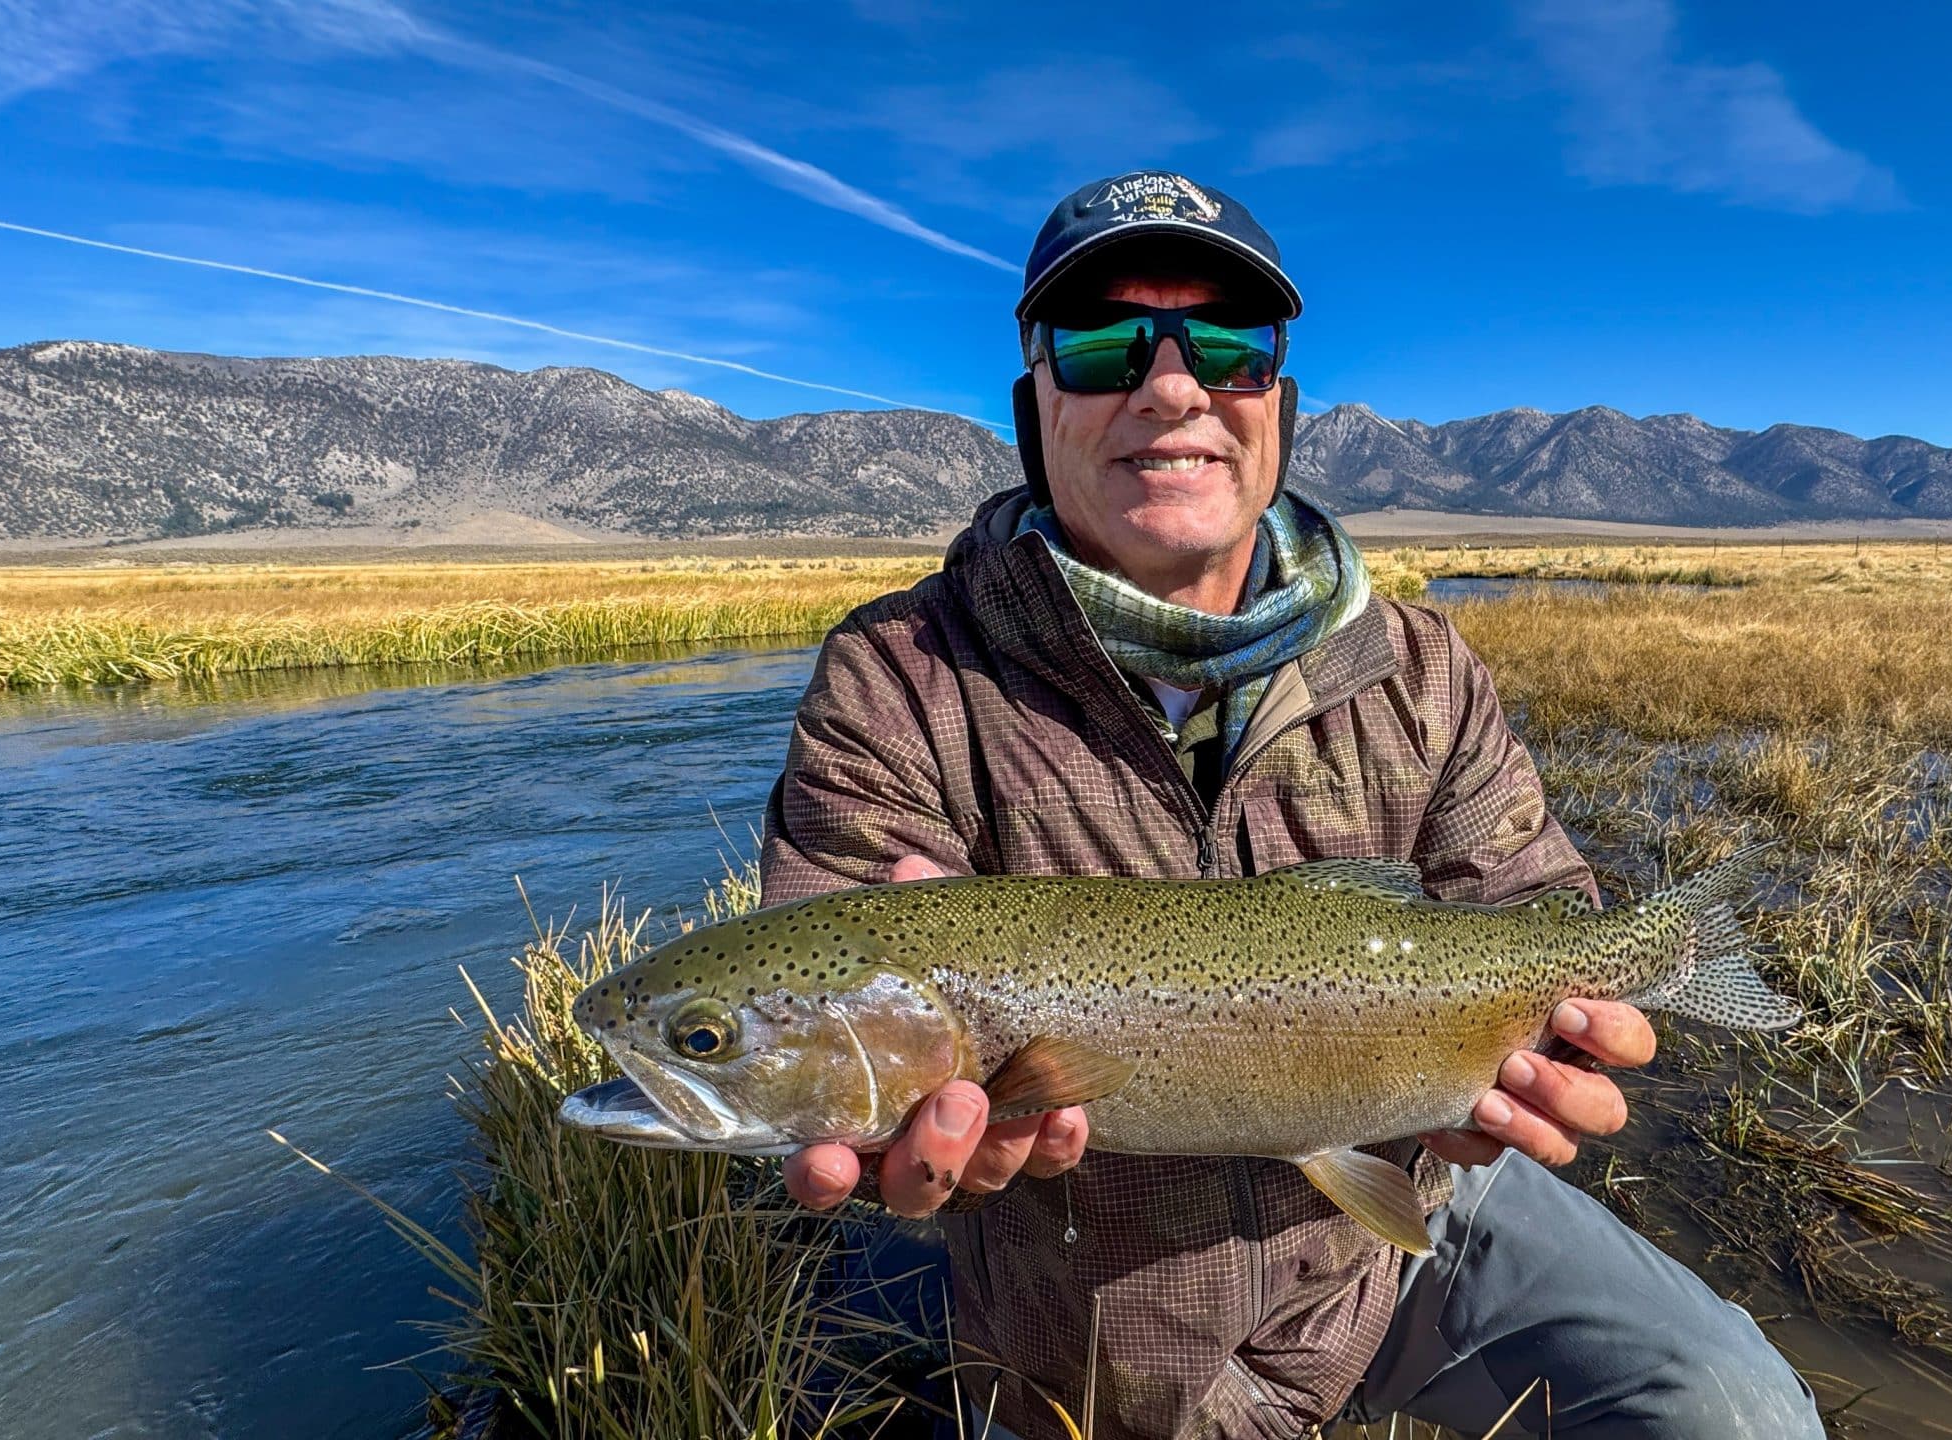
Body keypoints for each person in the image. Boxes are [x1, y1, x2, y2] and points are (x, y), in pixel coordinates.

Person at [758, 171, 1821, 1440]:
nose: (1170, 385)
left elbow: (1539, 907)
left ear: (1281, 404)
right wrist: (884, 1104)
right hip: (1094, 1308)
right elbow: (825, 939)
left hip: (1404, 1181)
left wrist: (1567, 1048)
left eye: (1227, 345)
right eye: (1101, 344)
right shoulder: (897, 674)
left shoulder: (1423, 664)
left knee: (1734, 1413)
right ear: (1031, 406)